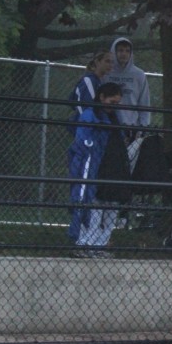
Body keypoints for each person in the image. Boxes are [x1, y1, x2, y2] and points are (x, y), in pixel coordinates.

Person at [67, 82, 127, 258]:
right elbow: (83, 141)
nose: (114, 106)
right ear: (102, 97)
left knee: (111, 206)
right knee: (93, 205)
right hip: (96, 165)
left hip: (113, 167)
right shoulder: (90, 114)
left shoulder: (114, 118)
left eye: (117, 103)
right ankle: (85, 243)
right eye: (112, 102)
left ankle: (100, 244)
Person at [104, 37, 152, 142]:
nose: (124, 54)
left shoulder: (139, 75)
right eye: (120, 50)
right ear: (114, 52)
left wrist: (143, 127)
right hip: (108, 126)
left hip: (131, 128)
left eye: (127, 51)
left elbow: (144, 103)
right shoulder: (106, 73)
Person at [69, 51, 112, 122]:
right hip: (84, 124)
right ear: (97, 62)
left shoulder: (98, 81)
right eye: (107, 61)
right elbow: (88, 106)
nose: (110, 65)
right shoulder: (89, 80)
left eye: (112, 62)